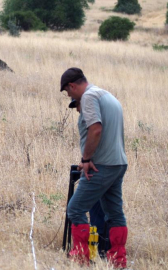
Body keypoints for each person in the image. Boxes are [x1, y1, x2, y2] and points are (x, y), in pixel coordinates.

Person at [61, 68, 128, 268]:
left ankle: (80, 259)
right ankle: (117, 261)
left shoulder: (89, 97)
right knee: (114, 213)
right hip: (118, 163)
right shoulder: (106, 95)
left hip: (102, 166)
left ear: (72, 86)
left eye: (67, 92)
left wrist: (86, 158)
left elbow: (96, 129)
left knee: (75, 209)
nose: (70, 97)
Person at [69, 99, 111, 258]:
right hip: (103, 169)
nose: (77, 110)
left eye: (78, 106)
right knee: (102, 210)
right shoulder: (98, 120)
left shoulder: (96, 123)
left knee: (92, 210)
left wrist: (87, 161)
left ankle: (95, 250)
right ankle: (100, 248)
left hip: (99, 171)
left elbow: (98, 145)